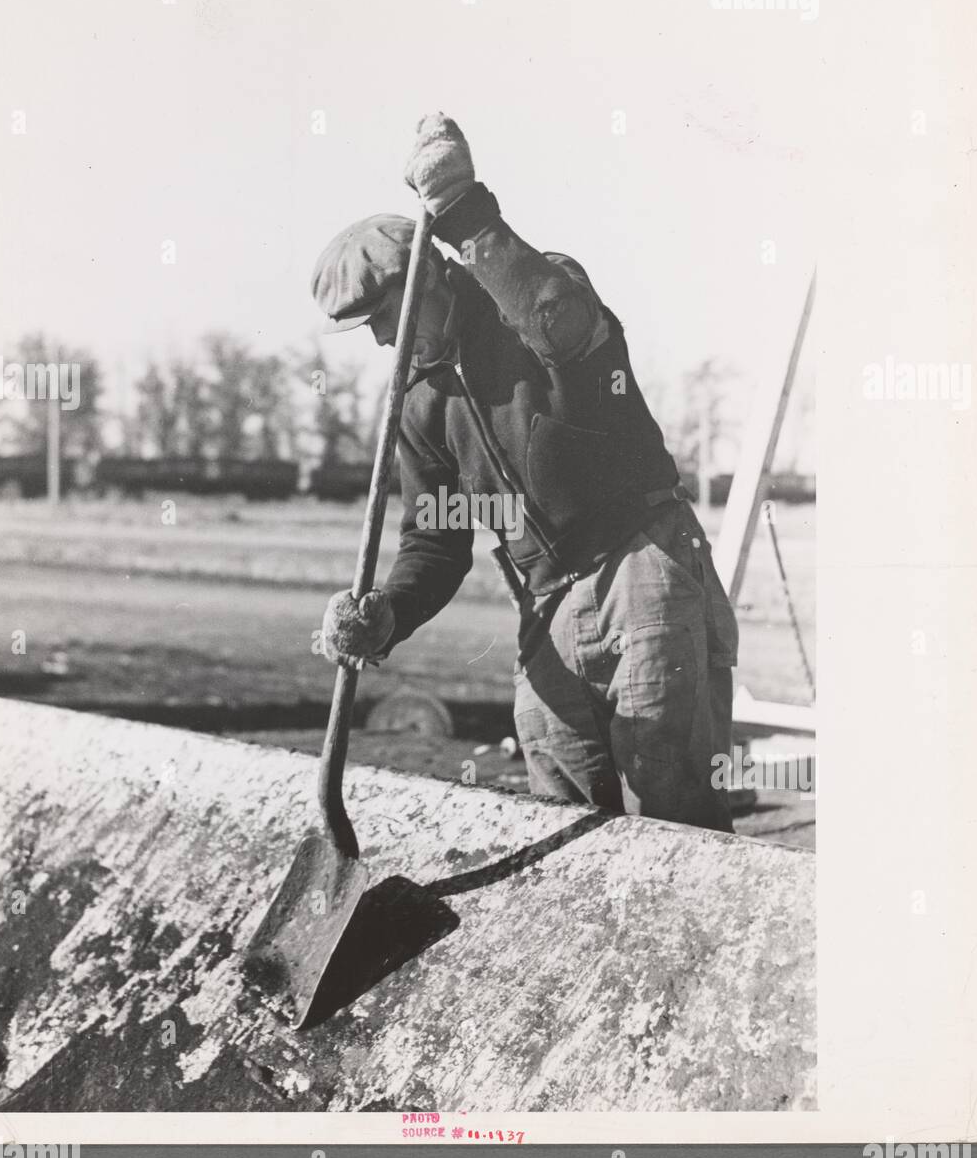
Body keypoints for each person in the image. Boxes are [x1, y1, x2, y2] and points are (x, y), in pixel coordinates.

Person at [310, 114, 739, 832]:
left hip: (639, 562)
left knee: (669, 801)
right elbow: (434, 542)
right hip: (544, 603)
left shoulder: (533, 306)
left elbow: (556, 323)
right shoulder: (419, 401)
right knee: (561, 813)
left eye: (383, 316)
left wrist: (463, 211)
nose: (381, 338)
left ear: (431, 282)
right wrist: (386, 612)